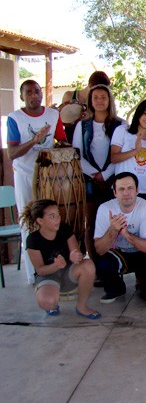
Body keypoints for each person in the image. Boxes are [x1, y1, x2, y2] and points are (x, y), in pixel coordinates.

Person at [7, 79, 68, 283]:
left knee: (52, 220)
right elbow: (12, 153)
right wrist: (34, 141)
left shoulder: (53, 114)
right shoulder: (15, 119)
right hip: (24, 174)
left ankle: (56, 267)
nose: (34, 95)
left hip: (48, 176)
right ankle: (33, 274)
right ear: (22, 96)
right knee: (29, 222)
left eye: (37, 91)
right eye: (29, 92)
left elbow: (62, 140)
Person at [72, 84, 126, 260]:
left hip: (114, 180)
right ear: (90, 101)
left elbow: (122, 153)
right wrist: (94, 173)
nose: (100, 101)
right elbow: (77, 154)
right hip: (89, 181)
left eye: (104, 97)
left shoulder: (121, 124)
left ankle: (114, 263)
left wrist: (106, 174)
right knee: (92, 223)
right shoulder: (82, 126)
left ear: (109, 100)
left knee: (116, 222)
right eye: (96, 97)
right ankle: (95, 265)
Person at [22, 199, 100, 319]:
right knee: (48, 302)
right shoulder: (33, 240)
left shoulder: (64, 229)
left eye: (58, 214)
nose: (58, 218)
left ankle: (82, 306)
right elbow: (40, 271)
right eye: (52, 216)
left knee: (88, 265)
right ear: (40, 220)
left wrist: (75, 256)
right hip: (48, 276)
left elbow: (76, 253)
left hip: (68, 273)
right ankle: (51, 301)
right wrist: (56, 265)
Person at [94, 172, 146, 304]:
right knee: (102, 263)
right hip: (118, 253)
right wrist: (113, 230)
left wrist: (126, 234)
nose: (126, 193)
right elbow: (99, 249)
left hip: (141, 253)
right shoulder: (105, 209)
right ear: (115, 192)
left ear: (137, 191)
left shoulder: (145, 207)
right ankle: (116, 289)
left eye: (130, 188)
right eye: (121, 189)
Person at [110, 99, 146, 211]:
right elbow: (114, 158)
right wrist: (135, 151)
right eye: (145, 113)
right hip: (124, 190)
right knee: (122, 225)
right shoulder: (122, 130)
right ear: (139, 113)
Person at [61, 70, 111, 143]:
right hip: (70, 139)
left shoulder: (99, 103)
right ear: (90, 86)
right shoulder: (69, 96)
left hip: (90, 141)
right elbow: (63, 119)